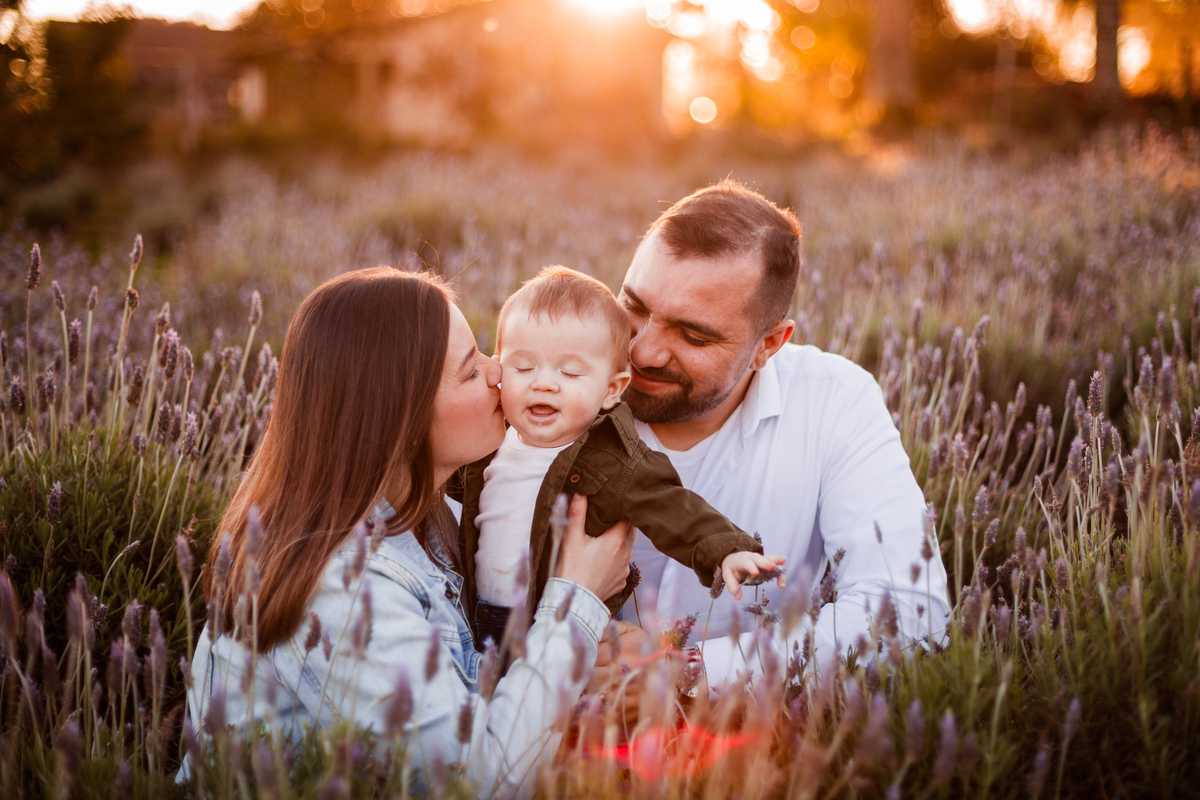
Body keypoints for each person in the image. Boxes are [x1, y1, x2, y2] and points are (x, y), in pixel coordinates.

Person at [183, 267, 635, 798]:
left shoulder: (431, 514)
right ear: (399, 417)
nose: (498, 374)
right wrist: (575, 606)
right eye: (471, 372)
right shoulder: (342, 587)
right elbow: (473, 783)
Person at [603, 180, 952, 687]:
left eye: (693, 334)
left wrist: (692, 674)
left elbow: (909, 613)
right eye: (634, 308)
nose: (643, 352)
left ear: (770, 343)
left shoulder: (835, 400)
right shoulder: (551, 378)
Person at [455, 265, 786, 649]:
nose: (543, 382)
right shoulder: (488, 443)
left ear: (612, 390)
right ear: (498, 367)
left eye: (571, 373)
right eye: (524, 366)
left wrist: (726, 551)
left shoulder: (613, 459)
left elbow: (673, 507)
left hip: (558, 627)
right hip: (474, 618)